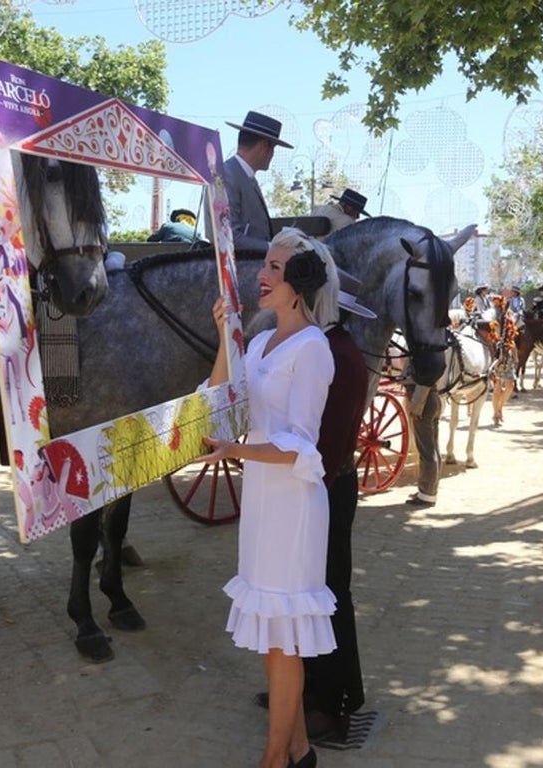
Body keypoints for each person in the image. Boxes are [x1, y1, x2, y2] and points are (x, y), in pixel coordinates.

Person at [202, 227, 339, 768]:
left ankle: (274, 758)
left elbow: (301, 447)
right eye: (265, 263)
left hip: (294, 507)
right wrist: (222, 339)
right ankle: (300, 749)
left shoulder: (314, 348)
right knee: (271, 637)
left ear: (299, 284)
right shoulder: (259, 342)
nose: (262, 274)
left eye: (276, 268)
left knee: (285, 641)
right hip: (261, 501)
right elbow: (219, 401)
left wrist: (238, 449)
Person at [301, 268, 375, 742]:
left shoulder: (333, 353)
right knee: (323, 595)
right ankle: (310, 691)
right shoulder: (339, 348)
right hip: (332, 483)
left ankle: (329, 705)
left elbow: (323, 445)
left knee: (325, 596)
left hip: (326, 486)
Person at [220, 111, 293, 253]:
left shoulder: (243, 176)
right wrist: (274, 248)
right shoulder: (227, 174)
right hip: (240, 271)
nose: (272, 155)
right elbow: (228, 237)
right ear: (265, 146)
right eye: (273, 148)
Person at [405, 371, 442, 508]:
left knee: (427, 451)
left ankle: (427, 494)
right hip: (434, 398)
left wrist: (416, 405)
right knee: (433, 448)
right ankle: (428, 491)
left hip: (424, 401)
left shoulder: (423, 357)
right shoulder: (432, 355)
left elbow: (423, 382)